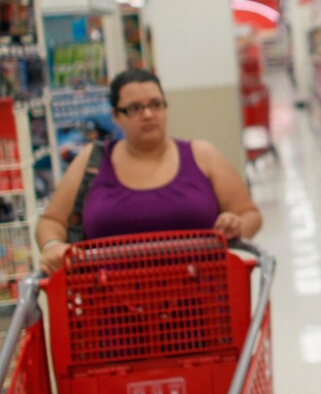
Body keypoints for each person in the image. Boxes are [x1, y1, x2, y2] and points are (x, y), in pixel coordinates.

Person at [36, 69, 261, 275]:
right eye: (135, 108)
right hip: (106, 311)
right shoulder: (91, 161)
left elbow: (250, 215)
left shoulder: (203, 156)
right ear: (116, 116)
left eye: (155, 104)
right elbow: (51, 221)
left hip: (202, 307)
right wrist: (53, 246)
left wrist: (236, 225)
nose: (148, 114)